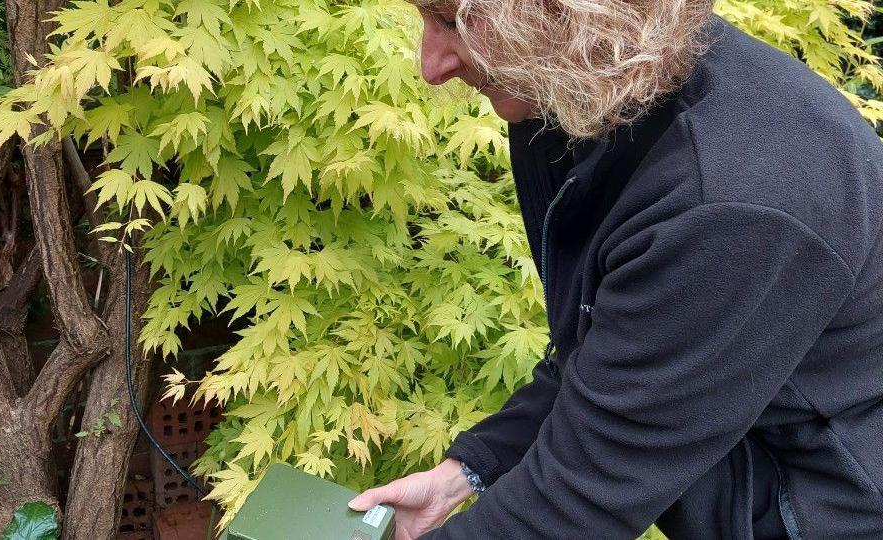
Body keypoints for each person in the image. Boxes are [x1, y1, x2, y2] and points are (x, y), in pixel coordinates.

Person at [347, 1, 883, 539]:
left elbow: (579, 498)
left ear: (567, 10)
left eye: (453, 20)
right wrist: (466, 471)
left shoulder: (728, 199)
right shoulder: (590, 84)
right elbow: (608, 344)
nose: (431, 66)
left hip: (827, 507)